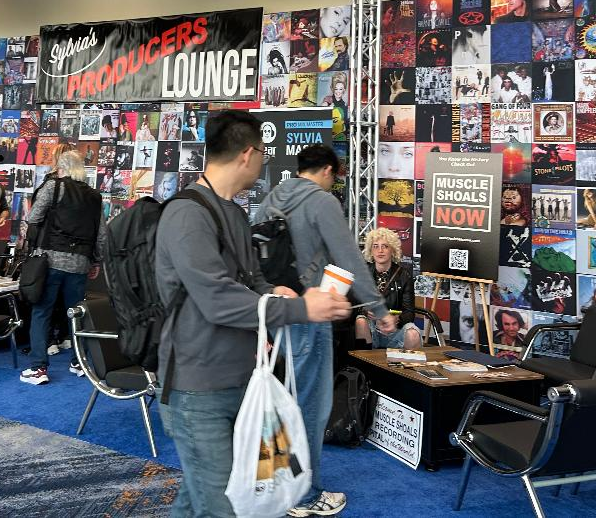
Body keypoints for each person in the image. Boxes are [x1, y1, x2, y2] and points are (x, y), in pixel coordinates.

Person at [155, 111, 351, 518]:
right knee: (224, 507)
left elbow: (250, 279)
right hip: (197, 388)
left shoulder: (234, 211)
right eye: (263, 153)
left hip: (239, 380)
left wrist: (271, 291)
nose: (264, 162)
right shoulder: (187, 213)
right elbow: (218, 299)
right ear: (248, 154)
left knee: (200, 500)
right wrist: (299, 307)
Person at [256, 144, 393, 518]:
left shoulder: (273, 197)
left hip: (274, 310)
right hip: (309, 313)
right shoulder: (322, 202)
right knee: (309, 407)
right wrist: (378, 308)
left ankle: (274, 479)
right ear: (330, 171)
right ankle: (302, 495)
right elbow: (350, 258)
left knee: (280, 401)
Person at [20, 151, 105, 384]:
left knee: (41, 311)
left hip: (49, 260)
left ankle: (38, 369)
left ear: (61, 168)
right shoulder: (95, 196)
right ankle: (79, 363)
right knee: (76, 314)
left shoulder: (54, 187)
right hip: (80, 263)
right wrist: (95, 261)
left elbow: (34, 217)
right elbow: (101, 235)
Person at [355, 228, 420, 351]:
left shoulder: (404, 275)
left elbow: (409, 313)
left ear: (392, 250)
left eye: (385, 246)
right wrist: (364, 311)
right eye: (375, 246)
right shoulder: (363, 273)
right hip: (371, 328)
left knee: (413, 333)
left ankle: (407, 369)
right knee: (360, 321)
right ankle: (362, 368)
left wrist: (397, 320)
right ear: (370, 250)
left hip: (395, 329)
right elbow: (353, 305)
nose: (380, 250)